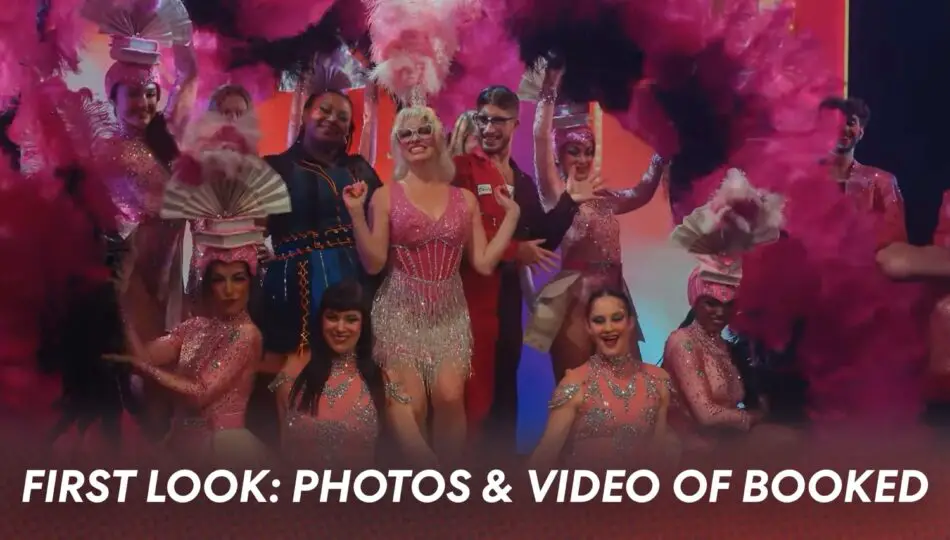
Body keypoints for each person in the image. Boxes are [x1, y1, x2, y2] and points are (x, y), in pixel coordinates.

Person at [344, 105, 520, 464]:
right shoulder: (385, 196)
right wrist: (355, 214)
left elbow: (484, 263)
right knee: (409, 403)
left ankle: (447, 479)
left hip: (450, 311)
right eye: (405, 133)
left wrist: (512, 217)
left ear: (437, 137)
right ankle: (427, 483)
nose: (415, 138)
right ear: (397, 144)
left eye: (423, 130)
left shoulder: (464, 199)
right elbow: (374, 261)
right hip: (401, 309)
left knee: (451, 397)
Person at [453, 85, 600, 449]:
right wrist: (515, 250)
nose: (489, 128)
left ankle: (498, 480)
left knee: (505, 383)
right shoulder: (461, 170)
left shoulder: (522, 183)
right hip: (464, 296)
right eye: (482, 119)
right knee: (465, 390)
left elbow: (543, 241)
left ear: (514, 124)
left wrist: (570, 203)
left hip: (506, 297)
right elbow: (460, 233)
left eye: (498, 121)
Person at [525, 66, 666, 383]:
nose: (583, 159)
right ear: (560, 156)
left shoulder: (605, 197)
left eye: (588, 151)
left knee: (623, 388)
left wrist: (663, 149)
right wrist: (549, 86)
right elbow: (539, 137)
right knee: (577, 386)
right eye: (574, 151)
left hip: (614, 296)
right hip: (574, 299)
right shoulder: (555, 193)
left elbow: (643, 190)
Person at [258, 89, 383, 409]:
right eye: (324, 110)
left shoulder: (360, 169)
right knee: (293, 366)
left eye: (343, 117)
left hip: (354, 277)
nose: (333, 120)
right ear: (304, 114)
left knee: (355, 363)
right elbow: (253, 229)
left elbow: (381, 227)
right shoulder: (274, 167)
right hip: (295, 281)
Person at [528, 288, 672, 469]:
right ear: (588, 327)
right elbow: (545, 454)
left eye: (617, 318)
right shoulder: (576, 383)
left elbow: (658, 454)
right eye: (598, 321)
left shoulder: (657, 380)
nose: (608, 328)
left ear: (630, 323)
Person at [270, 280, 383, 468]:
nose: (340, 328)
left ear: (363, 324)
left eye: (351, 319)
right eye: (332, 317)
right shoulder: (292, 376)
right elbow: (284, 448)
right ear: (320, 320)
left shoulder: (382, 380)